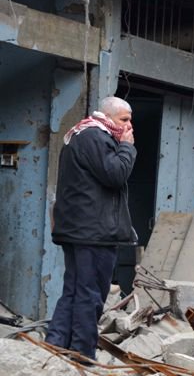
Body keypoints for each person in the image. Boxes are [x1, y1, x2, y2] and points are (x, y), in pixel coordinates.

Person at [45, 96, 137, 361]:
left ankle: (56, 346)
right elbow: (115, 174)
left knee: (75, 291)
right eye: (124, 119)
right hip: (93, 232)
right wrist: (127, 148)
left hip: (81, 230)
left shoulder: (83, 134)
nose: (129, 126)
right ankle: (83, 354)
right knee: (91, 294)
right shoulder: (96, 137)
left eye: (130, 120)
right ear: (107, 116)